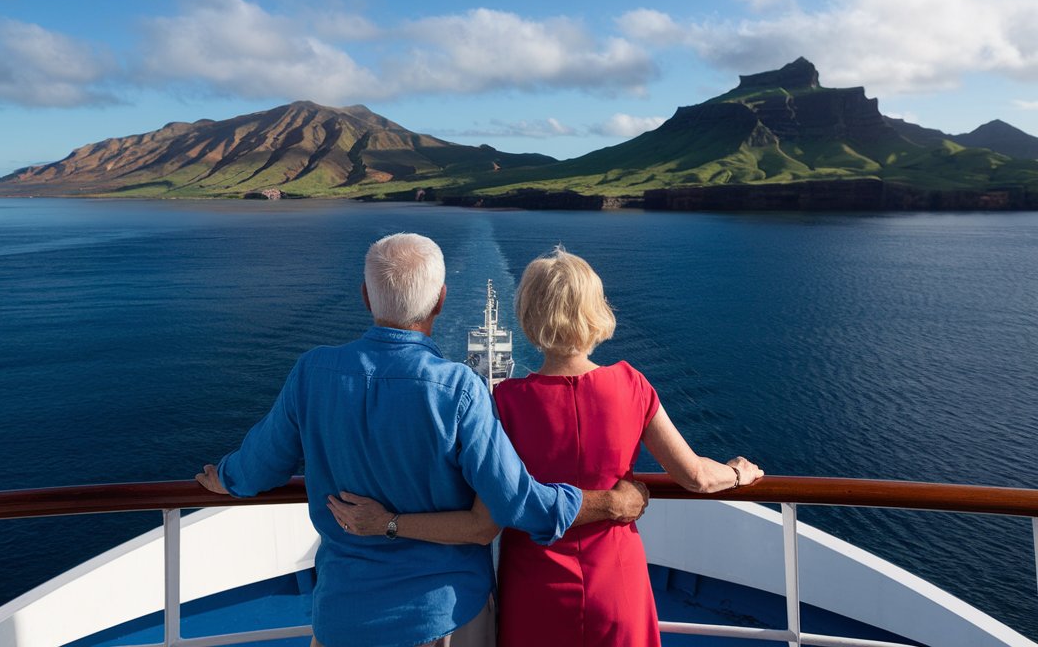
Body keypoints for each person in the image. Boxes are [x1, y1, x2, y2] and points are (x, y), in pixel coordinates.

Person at [196, 234, 648, 647]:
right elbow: (516, 504)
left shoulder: (312, 373)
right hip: (446, 617)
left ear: (366, 296)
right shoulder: (459, 390)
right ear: (441, 302)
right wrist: (611, 504)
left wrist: (226, 477)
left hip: (345, 619)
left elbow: (257, 470)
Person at [329, 247, 763, 647]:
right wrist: (741, 471)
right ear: (596, 311)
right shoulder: (632, 385)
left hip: (533, 587)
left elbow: (480, 509)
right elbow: (697, 477)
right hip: (617, 584)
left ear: (527, 315)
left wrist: (388, 517)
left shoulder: (506, 401)